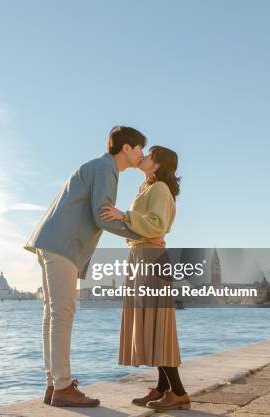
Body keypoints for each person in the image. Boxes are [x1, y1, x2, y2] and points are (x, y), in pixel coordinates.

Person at [25, 126, 151, 407]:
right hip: (63, 245)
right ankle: (63, 387)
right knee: (62, 314)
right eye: (140, 147)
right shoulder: (106, 169)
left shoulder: (97, 166)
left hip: (50, 241)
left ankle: (53, 385)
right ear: (126, 148)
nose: (142, 153)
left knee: (53, 315)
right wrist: (142, 235)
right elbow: (103, 216)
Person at [100, 145, 189, 411]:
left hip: (150, 258)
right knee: (152, 323)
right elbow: (143, 226)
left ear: (158, 164)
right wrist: (126, 221)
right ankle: (163, 388)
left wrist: (124, 215)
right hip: (142, 256)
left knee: (158, 325)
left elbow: (156, 224)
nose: (144, 157)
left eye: (150, 155)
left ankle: (179, 392)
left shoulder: (160, 189)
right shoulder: (150, 188)